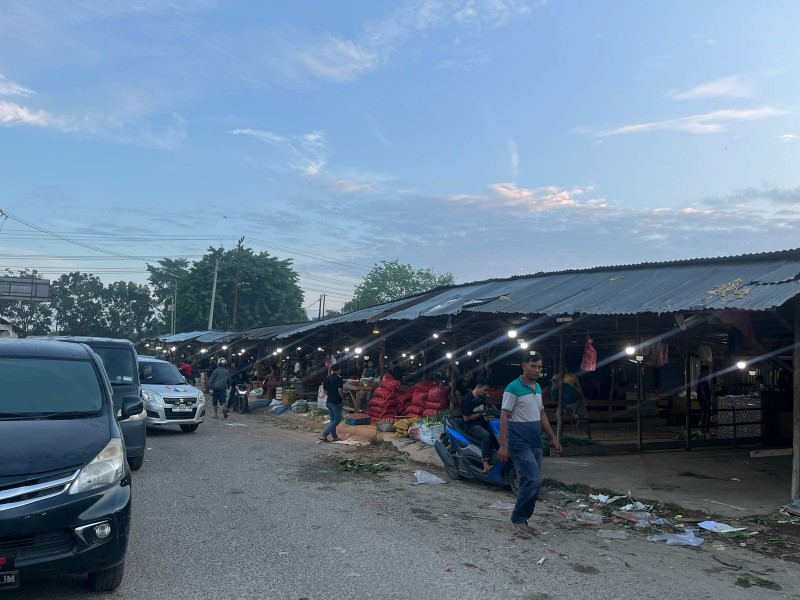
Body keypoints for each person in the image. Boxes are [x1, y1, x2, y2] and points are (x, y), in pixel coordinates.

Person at [498, 353, 562, 539]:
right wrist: (504, 445)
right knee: (533, 480)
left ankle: (523, 519)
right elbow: (504, 416)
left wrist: (553, 439)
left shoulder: (538, 387)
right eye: (533, 366)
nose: (537, 370)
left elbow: (541, 414)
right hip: (519, 442)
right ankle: (518, 518)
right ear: (524, 365)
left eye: (540, 367)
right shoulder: (513, 388)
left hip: (535, 442)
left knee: (532, 481)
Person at [460, 378, 493, 473]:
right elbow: (466, 418)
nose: (486, 392)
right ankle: (485, 464)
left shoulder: (481, 399)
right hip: (470, 427)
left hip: (481, 424)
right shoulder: (467, 399)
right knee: (486, 436)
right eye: (485, 389)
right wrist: (481, 414)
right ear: (478, 387)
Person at [551, 372, 591, 439]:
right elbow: (557, 401)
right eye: (553, 381)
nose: (553, 383)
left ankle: (589, 437)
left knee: (584, 419)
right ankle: (560, 436)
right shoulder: (553, 391)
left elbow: (579, 398)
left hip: (577, 402)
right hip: (565, 404)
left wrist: (575, 409)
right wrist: (562, 408)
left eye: (555, 381)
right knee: (559, 416)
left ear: (560, 382)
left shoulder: (569, 388)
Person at [320, 364, 344, 442]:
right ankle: (325, 434)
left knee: (333, 420)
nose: (341, 370)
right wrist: (343, 398)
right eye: (340, 369)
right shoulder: (339, 379)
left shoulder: (327, 378)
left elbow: (325, 391)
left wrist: (330, 395)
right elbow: (340, 390)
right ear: (338, 370)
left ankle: (334, 437)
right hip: (336, 402)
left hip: (329, 401)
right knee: (337, 419)